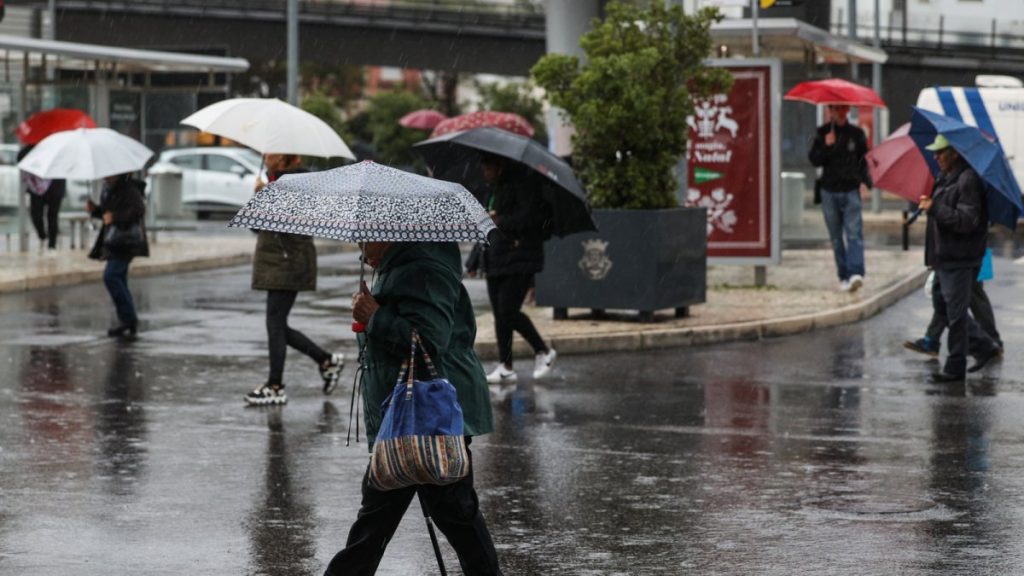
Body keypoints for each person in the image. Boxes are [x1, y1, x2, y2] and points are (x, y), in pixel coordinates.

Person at [325, 240, 501, 575]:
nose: (360, 243)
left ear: (391, 233)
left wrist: (375, 316)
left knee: (442, 513)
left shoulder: (425, 270)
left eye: (367, 235)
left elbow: (427, 342)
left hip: (427, 412)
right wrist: (370, 312)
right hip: (408, 411)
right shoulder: (400, 267)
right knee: (396, 517)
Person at [245, 153, 344, 406]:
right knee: (277, 324)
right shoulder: (276, 181)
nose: (266, 157)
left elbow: (288, 221)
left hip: (289, 261)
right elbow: (257, 226)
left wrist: (265, 194)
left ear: (286, 159)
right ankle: (326, 361)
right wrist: (260, 194)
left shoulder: (299, 182)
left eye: (271, 154)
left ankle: (276, 385)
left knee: (275, 323)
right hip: (280, 261)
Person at [465, 153, 556, 384]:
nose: (484, 173)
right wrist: (474, 260)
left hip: (520, 256)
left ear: (499, 166)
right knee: (500, 315)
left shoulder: (523, 186)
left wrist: (501, 220)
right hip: (495, 258)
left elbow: (529, 218)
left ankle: (543, 351)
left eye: (487, 168)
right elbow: (485, 226)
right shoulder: (492, 190)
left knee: (508, 311)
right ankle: (506, 366)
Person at [917, 135, 1001, 382]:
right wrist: (931, 205)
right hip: (944, 257)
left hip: (960, 258)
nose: (936, 157)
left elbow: (967, 221)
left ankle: (955, 367)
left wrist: (936, 209)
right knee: (943, 306)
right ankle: (984, 346)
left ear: (955, 153)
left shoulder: (968, 179)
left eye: (941, 152)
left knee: (955, 314)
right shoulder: (946, 176)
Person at [808, 103, 872, 292]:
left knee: (854, 234)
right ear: (830, 111)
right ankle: (843, 275)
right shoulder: (822, 133)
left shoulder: (857, 134)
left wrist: (866, 183)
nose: (838, 112)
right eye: (834, 109)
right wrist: (827, 147)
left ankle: (855, 273)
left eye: (842, 108)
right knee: (836, 237)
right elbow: (814, 159)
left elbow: (863, 160)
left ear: (847, 110)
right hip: (829, 191)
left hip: (851, 190)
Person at [86, 172, 148, 338]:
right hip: (115, 240)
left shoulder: (128, 188)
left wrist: (115, 217)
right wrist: (96, 210)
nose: (105, 176)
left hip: (125, 241)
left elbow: (139, 209)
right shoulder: (110, 188)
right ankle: (128, 319)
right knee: (118, 278)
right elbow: (108, 212)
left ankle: (129, 319)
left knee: (111, 276)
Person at [903, 275, 1002, 357]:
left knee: (952, 297)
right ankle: (931, 339)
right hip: (959, 258)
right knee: (950, 297)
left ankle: (989, 343)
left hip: (961, 258)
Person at [18, 145, 66, 252]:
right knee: (36, 215)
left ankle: (52, 245)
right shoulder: (33, 147)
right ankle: (43, 235)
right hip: (36, 187)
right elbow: (20, 158)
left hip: (55, 186)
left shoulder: (59, 147)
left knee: (52, 216)